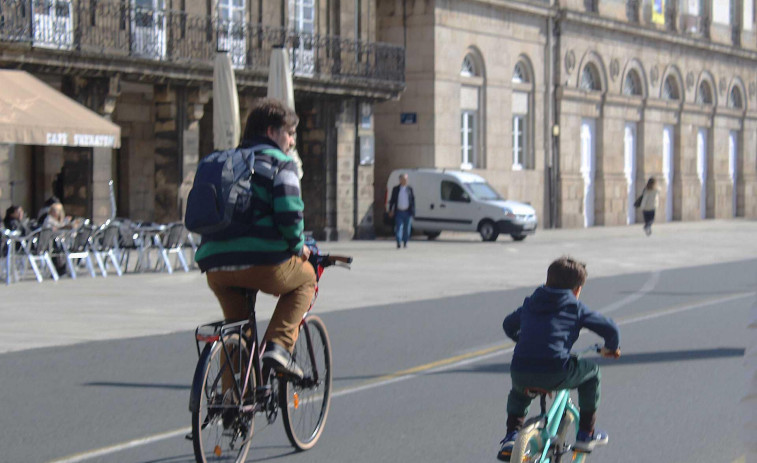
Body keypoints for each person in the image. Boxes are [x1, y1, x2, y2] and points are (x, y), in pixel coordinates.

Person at [195, 97, 314, 379]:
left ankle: (230, 406)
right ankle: (279, 346)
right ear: (271, 132)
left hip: (216, 266)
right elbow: (289, 216)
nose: (292, 141)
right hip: (264, 264)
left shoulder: (220, 160)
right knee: (306, 279)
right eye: (290, 133)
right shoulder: (280, 163)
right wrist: (299, 247)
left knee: (237, 328)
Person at [497, 256, 621, 461]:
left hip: (521, 368)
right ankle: (586, 434)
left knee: (519, 394)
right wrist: (611, 348)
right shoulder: (575, 307)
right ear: (577, 290)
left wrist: (522, 340)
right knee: (592, 373)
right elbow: (610, 328)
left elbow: (508, 324)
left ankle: (511, 437)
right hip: (555, 370)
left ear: (547, 282)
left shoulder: (531, 303)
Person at [387, 173, 415, 248]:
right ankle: (398, 242)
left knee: (407, 229)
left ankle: (405, 242)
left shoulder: (409, 189)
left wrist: (413, 211)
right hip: (399, 211)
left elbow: (412, 200)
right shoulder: (396, 189)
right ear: (400, 180)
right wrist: (390, 210)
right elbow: (392, 200)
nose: (406, 181)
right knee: (398, 228)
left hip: (407, 212)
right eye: (404, 179)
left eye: (406, 179)